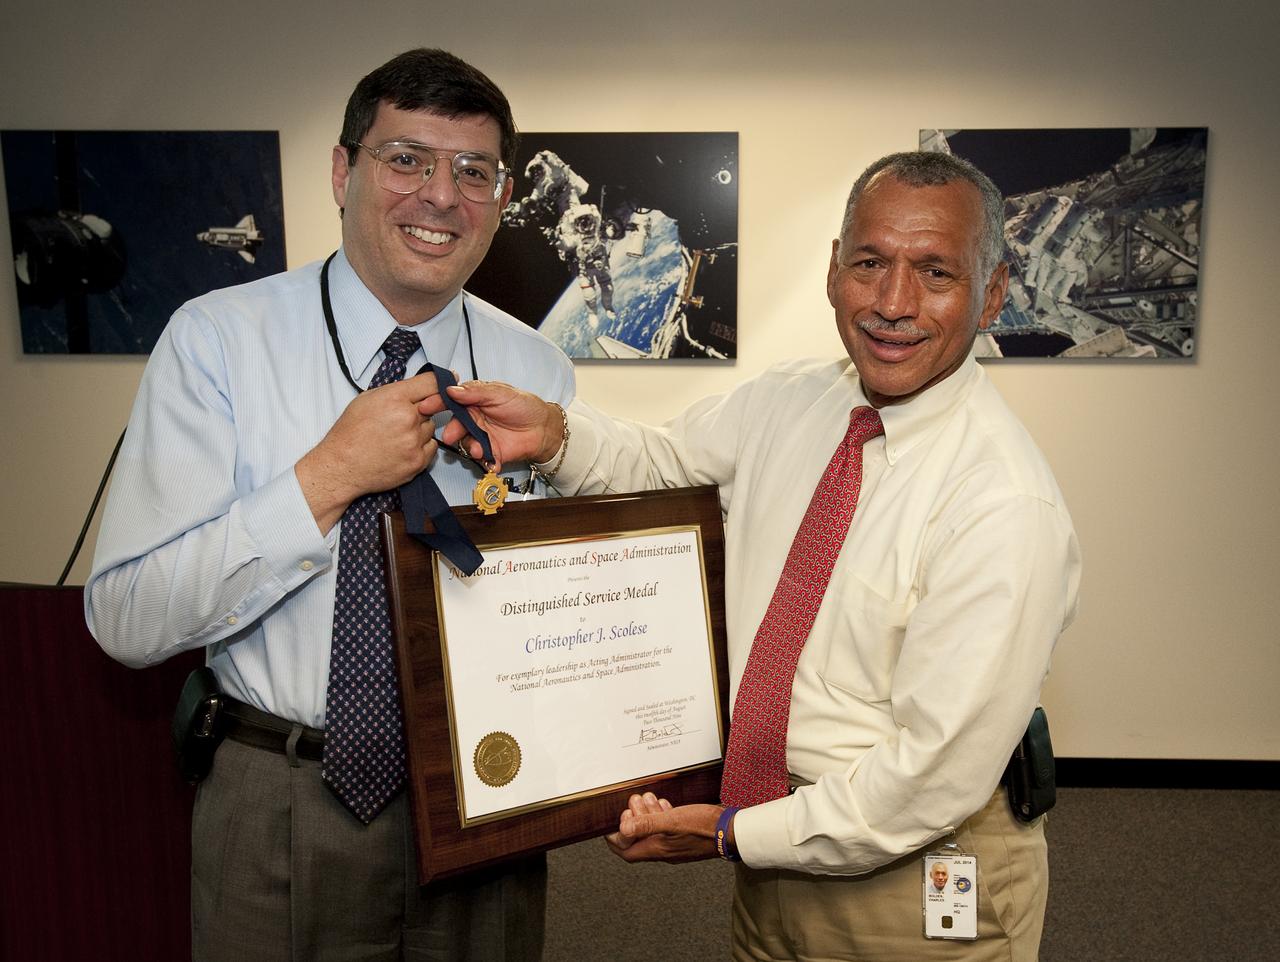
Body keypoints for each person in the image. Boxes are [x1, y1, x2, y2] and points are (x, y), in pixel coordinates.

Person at [437, 151, 1081, 961]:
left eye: (935, 273)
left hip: (911, 878)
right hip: (775, 852)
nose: (892, 302)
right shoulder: (792, 401)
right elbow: (664, 464)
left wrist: (735, 831)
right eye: (870, 262)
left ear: (991, 294)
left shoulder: (1001, 504)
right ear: (832, 271)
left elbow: (928, 780)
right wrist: (556, 436)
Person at [85, 48, 573, 960]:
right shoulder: (217, 342)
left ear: (501, 199)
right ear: (344, 171)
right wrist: (327, 479)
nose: (441, 195)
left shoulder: (538, 369)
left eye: (474, 171)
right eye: (406, 159)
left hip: (484, 793)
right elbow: (126, 619)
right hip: (281, 800)